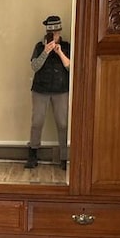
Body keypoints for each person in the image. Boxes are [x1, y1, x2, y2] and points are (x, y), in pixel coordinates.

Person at [24, 15, 71, 170]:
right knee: (37, 122)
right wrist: (45, 52)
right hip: (40, 89)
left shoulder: (67, 46)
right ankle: (33, 154)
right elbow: (35, 66)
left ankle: (65, 157)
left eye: (56, 32)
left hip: (61, 90)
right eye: (51, 33)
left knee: (63, 124)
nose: (54, 35)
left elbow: (70, 67)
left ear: (60, 31)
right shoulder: (39, 46)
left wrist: (59, 52)